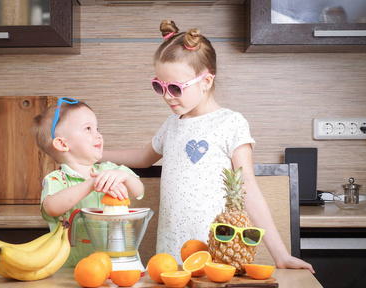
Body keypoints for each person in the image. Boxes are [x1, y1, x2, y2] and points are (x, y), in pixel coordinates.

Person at [101, 20, 314, 273]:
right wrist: (96, 155)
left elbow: (248, 188)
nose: (167, 96)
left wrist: (281, 255)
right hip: (170, 250)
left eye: (176, 88)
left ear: (206, 81)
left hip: (218, 249)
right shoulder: (172, 124)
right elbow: (143, 157)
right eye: (160, 86)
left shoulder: (231, 123)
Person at [33, 97, 144, 267]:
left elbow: (139, 191)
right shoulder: (56, 179)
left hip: (118, 264)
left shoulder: (111, 170)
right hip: (74, 271)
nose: (98, 134)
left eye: (97, 128)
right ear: (62, 144)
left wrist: (125, 176)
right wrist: (90, 184)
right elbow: (51, 207)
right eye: (88, 128)